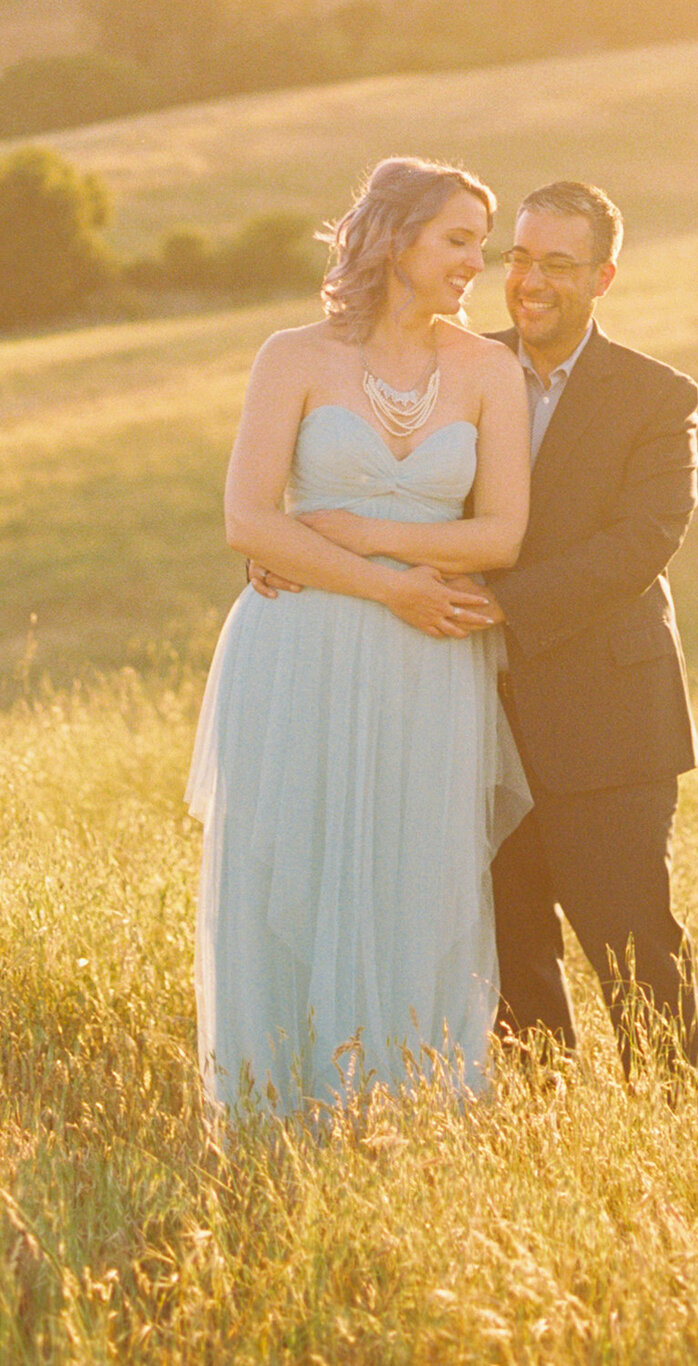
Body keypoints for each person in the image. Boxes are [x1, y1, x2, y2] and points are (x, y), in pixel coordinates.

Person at [187, 156, 531, 1121]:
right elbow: (250, 522)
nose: (477, 259)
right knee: (289, 873)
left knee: (419, 885)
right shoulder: (291, 357)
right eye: (458, 238)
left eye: (480, 239)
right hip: (301, 650)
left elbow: (501, 533)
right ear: (396, 238)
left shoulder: (486, 370)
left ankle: (413, 1117)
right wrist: (391, 589)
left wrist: (362, 533)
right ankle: (281, 1116)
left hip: (430, 663)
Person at [457, 178, 698, 1072]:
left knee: (634, 946)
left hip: (608, 719)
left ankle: (671, 1133)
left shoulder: (655, 396)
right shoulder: (461, 367)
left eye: (557, 263)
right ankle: (543, 1137)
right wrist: (289, 545)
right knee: (509, 956)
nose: (530, 280)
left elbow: (646, 539)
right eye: (519, 256)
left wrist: (500, 605)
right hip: (474, 714)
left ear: (602, 278)